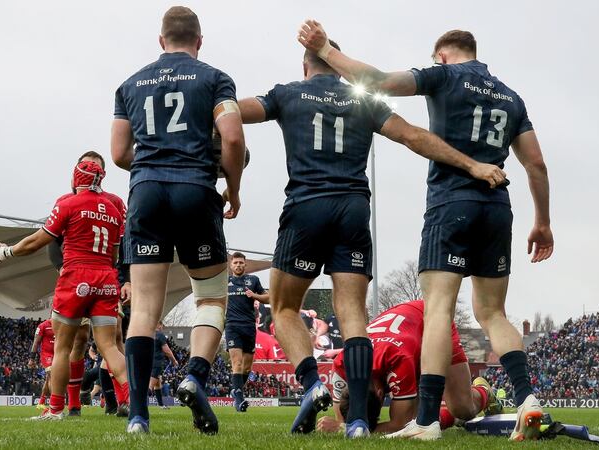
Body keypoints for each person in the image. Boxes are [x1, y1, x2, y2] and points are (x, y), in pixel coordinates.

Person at [237, 38, 505, 438]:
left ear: (305, 65)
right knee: (352, 313)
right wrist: (472, 164)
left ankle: (312, 384)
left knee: (285, 308)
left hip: (306, 205)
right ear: (333, 62)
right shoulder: (361, 101)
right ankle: (360, 420)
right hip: (353, 210)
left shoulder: (288, 93)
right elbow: (413, 136)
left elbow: (232, 114)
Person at [298, 22, 554, 441]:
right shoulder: (512, 97)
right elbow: (536, 165)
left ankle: (427, 422)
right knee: (492, 313)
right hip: (498, 206)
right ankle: (528, 399)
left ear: (441, 56)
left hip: (452, 203)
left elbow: (377, 81)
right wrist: (542, 222)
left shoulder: (444, 76)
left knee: (438, 307)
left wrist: (325, 49)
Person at [110, 6, 246, 435]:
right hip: (196, 190)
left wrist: (152, 164)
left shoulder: (129, 84)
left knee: (144, 309)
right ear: (199, 41)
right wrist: (234, 188)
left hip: (147, 191)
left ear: (160, 39)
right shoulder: (215, 78)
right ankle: (194, 377)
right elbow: (234, 138)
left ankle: (137, 417)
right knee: (210, 298)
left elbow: (117, 154)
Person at [0, 160, 129, 420]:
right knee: (110, 347)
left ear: (77, 177)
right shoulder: (113, 209)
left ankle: (55, 410)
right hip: (106, 277)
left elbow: (36, 242)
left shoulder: (68, 203)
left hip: (77, 276)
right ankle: (132, 400)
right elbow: (114, 254)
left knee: (62, 348)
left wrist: (7, 251)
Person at [316, 300, 496, 435]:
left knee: (463, 408)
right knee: (420, 419)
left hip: (430, 320)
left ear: (381, 393)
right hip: (405, 334)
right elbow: (343, 417)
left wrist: (343, 430)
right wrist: (347, 425)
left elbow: (401, 424)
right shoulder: (342, 362)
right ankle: (451, 417)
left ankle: (483, 391)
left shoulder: (396, 359)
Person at [47, 150, 130, 417]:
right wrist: (63, 269)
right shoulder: (67, 201)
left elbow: (124, 242)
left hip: (96, 277)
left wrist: (126, 278)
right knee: (79, 341)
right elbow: (54, 242)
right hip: (82, 277)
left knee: (114, 338)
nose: (92, 168)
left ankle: (123, 401)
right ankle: (73, 405)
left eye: (96, 165)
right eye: (88, 165)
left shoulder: (115, 202)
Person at [225, 252, 269, 412]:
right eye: (235, 263)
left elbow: (269, 298)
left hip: (249, 326)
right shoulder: (225, 282)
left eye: (241, 263)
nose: (238, 265)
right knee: (236, 363)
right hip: (232, 326)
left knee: (247, 368)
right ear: (231, 265)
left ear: (245, 265)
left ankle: (236, 391)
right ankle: (238, 399)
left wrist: (254, 295)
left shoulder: (253, 281)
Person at [149, 323, 178, 410]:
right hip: (156, 363)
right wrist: (174, 360)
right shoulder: (159, 335)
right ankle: (134, 405)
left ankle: (161, 405)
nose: (162, 328)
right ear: (158, 325)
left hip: (148, 362)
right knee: (150, 387)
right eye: (162, 326)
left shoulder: (148, 334)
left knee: (158, 383)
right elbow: (166, 350)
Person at [30, 318, 55, 409]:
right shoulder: (43, 326)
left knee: (49, 378)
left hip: (58, 354)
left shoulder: (61, 325)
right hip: (47, 355)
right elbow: (36, 342)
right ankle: (54, 403)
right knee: (52, 375)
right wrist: (32, 358)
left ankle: (41, 402)